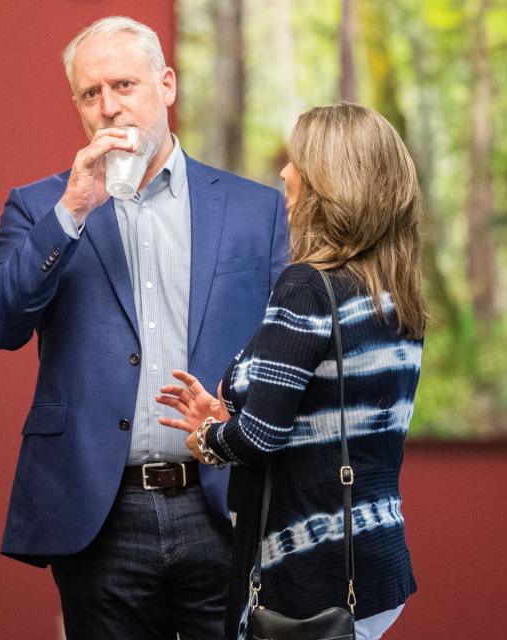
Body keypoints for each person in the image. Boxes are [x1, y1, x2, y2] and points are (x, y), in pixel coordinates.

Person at [0, 15, 287, 639]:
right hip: (99, 508)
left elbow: (283, 344)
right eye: (90, 94)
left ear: (165, 85)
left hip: (222, 499)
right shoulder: (41, 205)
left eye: (124, 85)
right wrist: (73, 209)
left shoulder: (256, 208)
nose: (108, 108)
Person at [157, 103, 424, 640]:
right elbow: (333, 415)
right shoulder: (394, 292)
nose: (284, 173)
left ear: (331, 180)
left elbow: (261, 437)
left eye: (297, 160)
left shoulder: (306, 287)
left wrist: (212, 438)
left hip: (310, 568)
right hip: (375, 561)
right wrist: (234, 411)